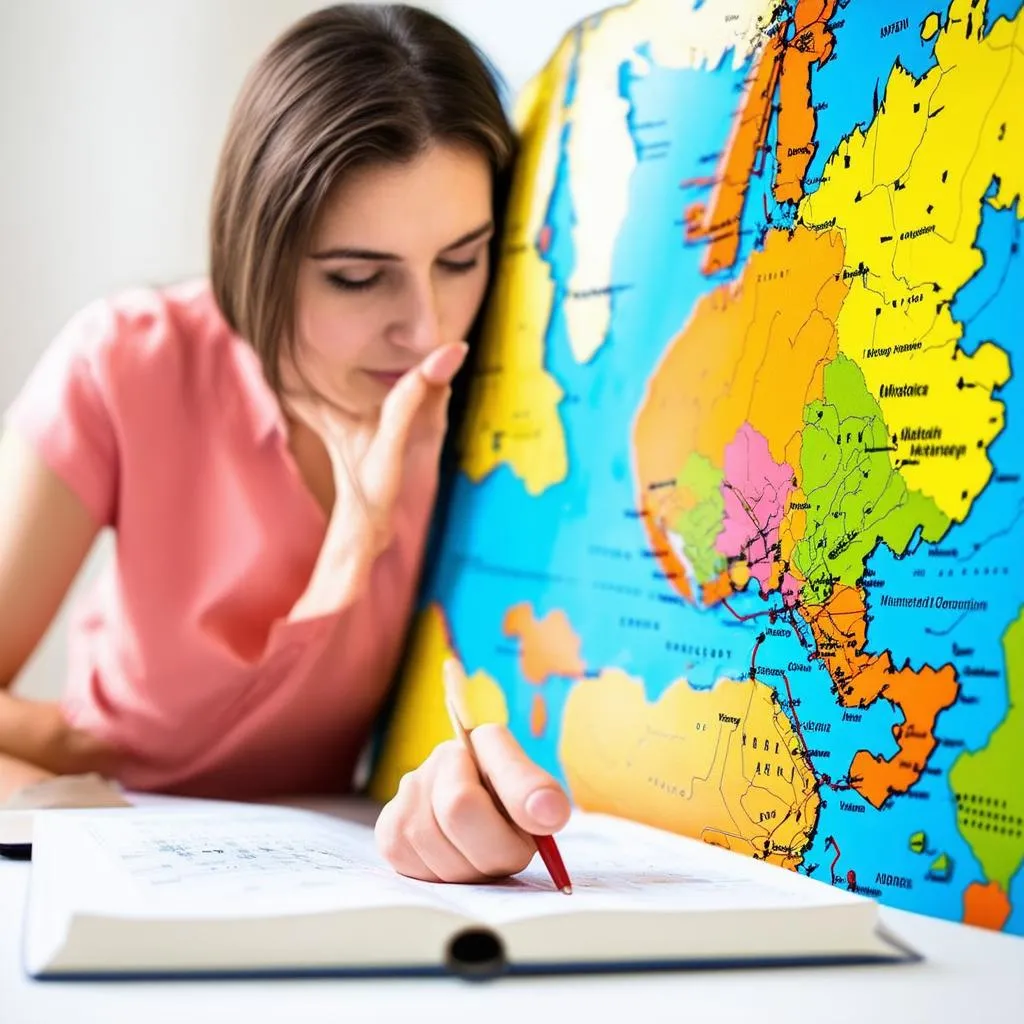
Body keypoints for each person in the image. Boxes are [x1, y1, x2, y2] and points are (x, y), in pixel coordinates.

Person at [0, 3, 571, 884]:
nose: (425, 329)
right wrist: (64, 808)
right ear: (257, 252)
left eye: (461, 259)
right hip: (113, 847)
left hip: (364, 866)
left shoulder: (513, 391)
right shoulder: (127, 362)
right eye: (356, 277)